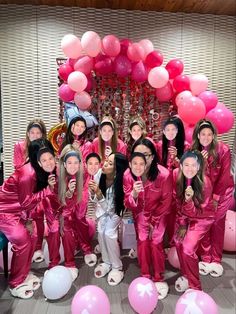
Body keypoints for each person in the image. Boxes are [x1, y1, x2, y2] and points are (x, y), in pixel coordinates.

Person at [0, 139, 56, 299]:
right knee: (23, 239)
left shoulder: (40, 171)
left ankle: (23, 274)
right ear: (36, 159)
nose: (48, 161)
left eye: (50, 157)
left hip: (18, 211)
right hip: (4, 211)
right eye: (43, 159)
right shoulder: (28, 173)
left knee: (34, 235)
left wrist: (29, 220)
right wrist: (47, 191)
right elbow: (26, 202)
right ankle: (15, 283)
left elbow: (29, 201)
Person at [123, 138, 172, 299]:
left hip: (159, 213)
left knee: (156, 240)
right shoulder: (128, 175)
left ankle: (159, 277)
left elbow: (166, 201)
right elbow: (129, 203)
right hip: (141, 213)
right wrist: (134, 195)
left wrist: (154, 221)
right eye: (138, 155)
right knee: (143, 240)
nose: (142, 159)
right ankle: (145, 275)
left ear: (152, 156)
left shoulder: (163, 174)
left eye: (146, 154)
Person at [191, 119, 234, 277]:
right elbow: (192, 176)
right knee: (204, 223)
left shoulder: (223, 149)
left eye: (209, 134)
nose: (206, 137)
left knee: (217, 223)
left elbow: (224, 177)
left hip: (222, 192)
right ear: (198, 135)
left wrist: (215, 198)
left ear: (214, 135)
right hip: (204, 193)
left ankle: (215, 259)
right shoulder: (194, 150)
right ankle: (205, 257)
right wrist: (200, 163)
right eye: (203, 134)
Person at [173, 150, 215, 292]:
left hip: (202, 219)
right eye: (186, 165)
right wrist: (183, 224)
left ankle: (195, 286)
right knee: (178, 240)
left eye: (193, 165)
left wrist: (189, 200)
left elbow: (198, 212)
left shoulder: (205, 183)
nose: (189, 168)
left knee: (188, 249)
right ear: (180, 166)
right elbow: (179, 206)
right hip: (186, 217)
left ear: (198, 167)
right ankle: (186, 275)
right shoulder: (179, 180)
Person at [88, 153, 128, 286]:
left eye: (110, 164)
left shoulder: (121, 182)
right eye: (106, 161)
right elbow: (93, 200)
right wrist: (94, 193)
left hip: (116, 210)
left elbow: (112, 209)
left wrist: (99, 195)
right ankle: (106, 262)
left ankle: (117, 267)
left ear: (117, 169)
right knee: (100, 231)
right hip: (102, 208)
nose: (105, 164)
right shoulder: (99, 174)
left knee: (109, 233)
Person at [13, 119, 47, 263]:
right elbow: (17, 167)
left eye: (38, 133)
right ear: (27, 133)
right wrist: (28, 161)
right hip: (24, 187)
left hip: (38, 185)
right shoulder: (20, 145)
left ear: (42, 134)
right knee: (24, 217)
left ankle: (38, 247)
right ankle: (26, 247)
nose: (35, 135)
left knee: (38, 214)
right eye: (32, 132)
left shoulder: (44, 146)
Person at [156, 116, 190, 246]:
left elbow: (188, 170)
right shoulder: (160, 145)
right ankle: (165, 243)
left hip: (178, 185)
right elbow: (158, 165)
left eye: (173, 129)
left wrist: (177, 159)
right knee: (165, 213)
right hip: (164, 186)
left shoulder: (185, 146)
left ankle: (174, 244)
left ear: (179, 131)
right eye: (167, 129)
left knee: (176, 214)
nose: (170, 132)